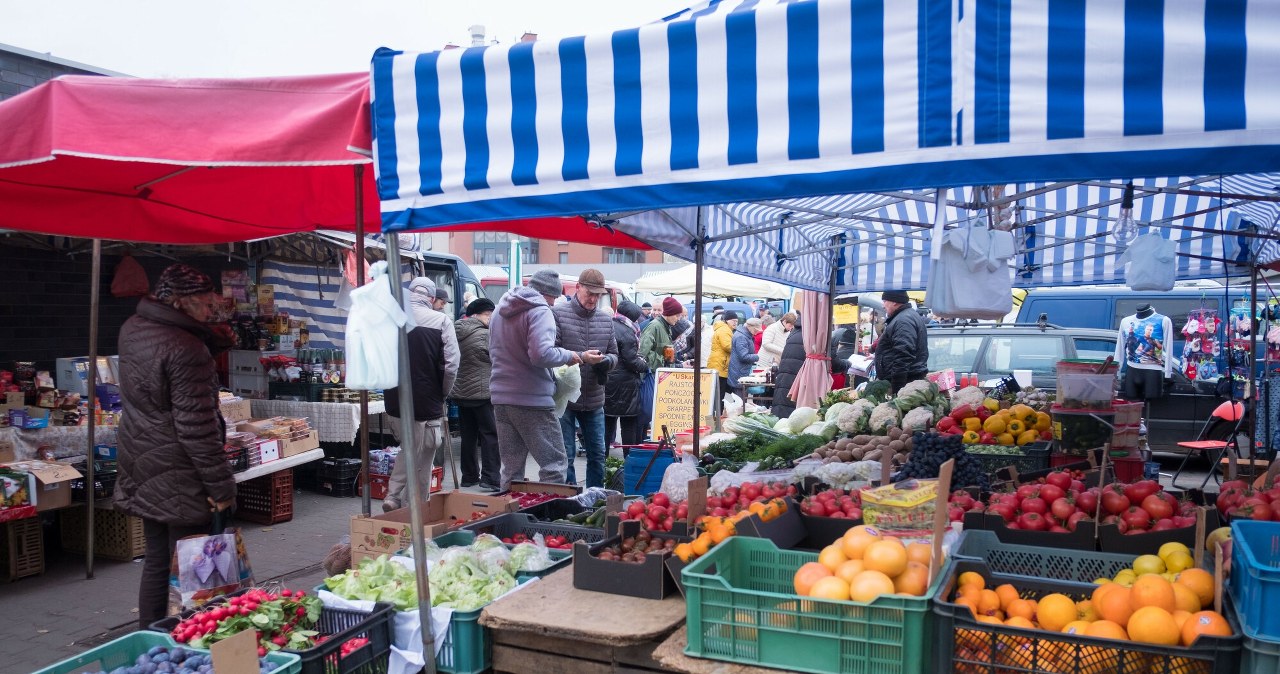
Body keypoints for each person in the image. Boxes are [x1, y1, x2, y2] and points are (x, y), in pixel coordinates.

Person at [115, 264, 235, 629]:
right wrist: (220, 485)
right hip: (178, 467)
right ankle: (194, 640)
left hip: (140, 454)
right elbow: (195, 427)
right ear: (182, 302)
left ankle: (149, 635)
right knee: (195, 561)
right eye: (205, 301)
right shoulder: (186, 348)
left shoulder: (132, 329)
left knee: (156, 557)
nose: (212, 307)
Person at [490, 269, 591, 488]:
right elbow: (540, 354)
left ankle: (509, 516)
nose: (554, 303)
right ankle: (548, 514)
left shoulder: (499, 309)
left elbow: (493, 350)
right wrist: (570, 356)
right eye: (554, 297)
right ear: (548, 293)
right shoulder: (540, 311)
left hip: (500, 397)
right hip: (531, 399)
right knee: (554, 464)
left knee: (511, 467)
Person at [383, 277, 460, 511]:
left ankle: (400, 498)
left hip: (394, 398)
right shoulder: (441, 321)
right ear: (432, 298)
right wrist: (443, 392)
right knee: (422, 453)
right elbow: (451, 365)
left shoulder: (391, 319)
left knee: (411, 447)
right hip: (426, 399)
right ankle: (406, 500)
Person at [551, 269, 619, 487]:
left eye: (598, 295)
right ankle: (570, 500)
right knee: (566, 455)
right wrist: (581, 358)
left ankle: (595, 498)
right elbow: (551, 352)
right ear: (578, 287)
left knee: (598, 454)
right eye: (590, 293)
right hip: (565, 397)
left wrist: (606, 361)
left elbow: (615, 354)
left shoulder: (606, 320)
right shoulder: (558, 314)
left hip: (594, 397)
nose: (593, 299)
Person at [453, 298, 500, 491]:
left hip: (461, 393)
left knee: (468, 436)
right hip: (482, 394)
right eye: (488, 315)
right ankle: (490, 478)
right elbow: (496, 358)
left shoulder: (456, 331)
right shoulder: (484, 335)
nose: (490, 319)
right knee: (490, 435)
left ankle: (469, 476)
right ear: (476, 315)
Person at [771, 315, 851, 419]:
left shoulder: (794, 333)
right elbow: (834, 364)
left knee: (782, 421)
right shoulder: (820, 338)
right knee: (797, 421)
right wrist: (848, 363)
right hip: (801, 385)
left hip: (785, 382)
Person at [605, 301, 650, 454]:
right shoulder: (628, 332)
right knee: (629, 424)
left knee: (607, 423)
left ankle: (602, 461)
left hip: (608, 381)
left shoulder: (609, 325)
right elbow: (632, 361)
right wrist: (645, 364)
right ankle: (628, 459)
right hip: (625, 386)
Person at [874, 290, 929, 393]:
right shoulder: (904, 317)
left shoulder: (903, 320)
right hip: (907, 380)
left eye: (885, 301)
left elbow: (903, 355)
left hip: (906, 382)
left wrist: (897, 389)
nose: (883, 305)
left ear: (894, 302)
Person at [707, 310, 738, 411]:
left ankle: (722, 410)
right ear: (726, 321)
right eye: (733, 320)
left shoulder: (723, 329)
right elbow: (727, 346)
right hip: (720, 365)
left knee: (721, 391)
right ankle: (718, 413)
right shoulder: (725, 330)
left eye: (737, 321)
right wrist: (739, 349)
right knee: (721, 391)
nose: (735, 323)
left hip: (719, 364)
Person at [728, 317, 763, 398]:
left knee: (741, 401)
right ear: (750, 327)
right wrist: (757, 356)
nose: (756, 332)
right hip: (739, 373)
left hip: (741, 371)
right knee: (740, 402)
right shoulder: (741, 337)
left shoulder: (745, 335)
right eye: (756, 330)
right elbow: (743, 356)